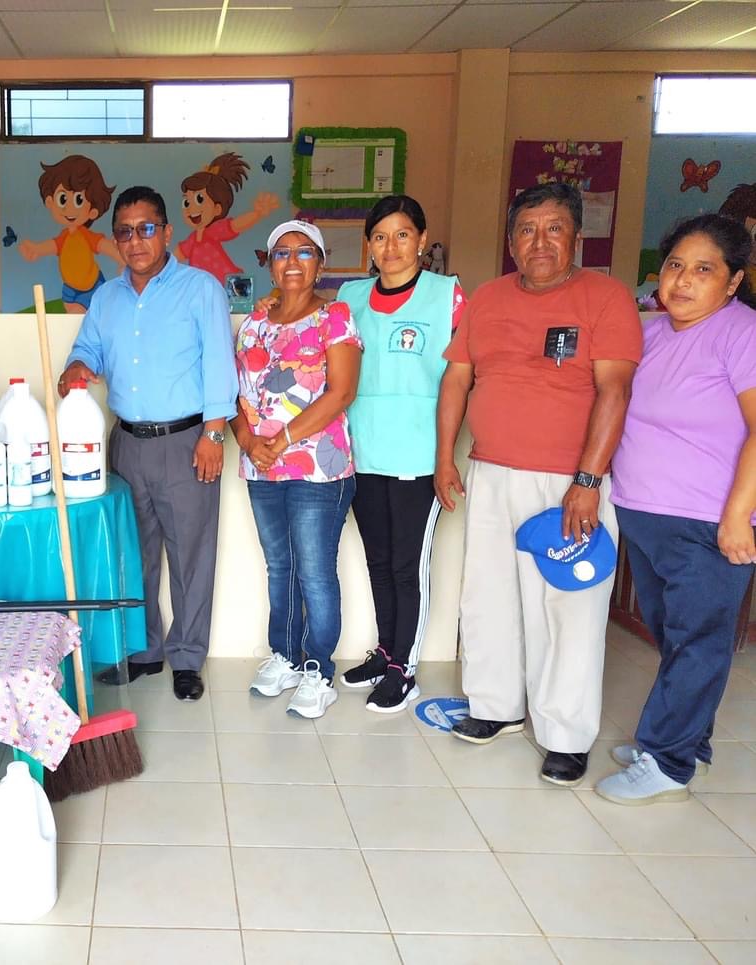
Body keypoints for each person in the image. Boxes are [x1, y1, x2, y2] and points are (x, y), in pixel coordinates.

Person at [434, 182, 642, 786]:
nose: (540, 242)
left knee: (568, 608)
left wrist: (588, 479)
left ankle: (565, 735)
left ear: (577, 237)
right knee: (488, 595)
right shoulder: (488, 298)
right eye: (527, 230)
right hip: (491, 471)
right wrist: (446, 458)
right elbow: (457, 380)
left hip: (568, 482)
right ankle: (495, 706)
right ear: (511, 241)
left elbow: (615, 390)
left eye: (554, 229)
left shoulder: (605, 298)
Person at [597, 214, 756, 804]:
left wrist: (738, 516)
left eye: (704, 269)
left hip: (708, 522)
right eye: (675, 266)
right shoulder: (654, 332)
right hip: (644, 515)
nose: (683, 281)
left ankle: (667, 761)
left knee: (698, 641)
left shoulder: (742, 333)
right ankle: (690, 743)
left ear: (734, 280)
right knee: (676, 637)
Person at [60, 186, 237, 702]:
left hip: (187, 442)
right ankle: (144, 651)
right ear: (115, 239)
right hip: (125, 445)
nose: (135, 241)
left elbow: (219, 364)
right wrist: (76, 366)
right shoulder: (106, 298)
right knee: (132, 556)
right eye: (124, 231)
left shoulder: (200, 289)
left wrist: (213, 434)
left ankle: (187, 657)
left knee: (190, 558)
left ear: (166, 232)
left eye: (146, 229)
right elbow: (87, 349)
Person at [335, 196, 465, 713]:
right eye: (380, 236)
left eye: (403, 234)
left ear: (422, 239)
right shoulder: (349, 297)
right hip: (362, 451)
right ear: (368, 244)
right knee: (379, 561)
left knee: (408, 567)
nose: (391, 246)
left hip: (418, 454)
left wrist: (446, 457)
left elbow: (462, 377)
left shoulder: (447, 295)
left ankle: (404, 669)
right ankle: (387, 652)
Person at [235, 220, 362, 719]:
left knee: (314, 571)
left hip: (318, 469)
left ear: (320, 264)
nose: (292, 261)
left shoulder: (335, 318)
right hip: (261, 467)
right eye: (282, 253)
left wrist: (282, 440)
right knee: (280, 566)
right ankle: (285, 655)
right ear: (270, 265)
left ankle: (317, 671)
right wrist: (249, 442)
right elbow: (237, 394)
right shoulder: (253, 323)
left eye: (304, 252)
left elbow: (341, 392)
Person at [18, 155, 121, 313]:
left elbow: (103, 245)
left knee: (78, 317)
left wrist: (122, 260)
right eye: (63, 199)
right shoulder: (65, 236)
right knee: (71, 316)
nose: (69, 209)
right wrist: (36, 249)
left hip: (91, 287)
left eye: (79, 200)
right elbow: (54, 246)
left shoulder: (86, 236)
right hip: (70, 289)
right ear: (50, 201)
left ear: (93, 211)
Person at [177, 152, 280, 285]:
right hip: (203, 287)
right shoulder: (192, 239)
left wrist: (257, 213)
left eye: (199, 199)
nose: (191, 209)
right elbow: (175, 257)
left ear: (217, 208)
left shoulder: (213, 231)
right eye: (186, 202)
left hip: (227, 284)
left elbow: (236, 225)